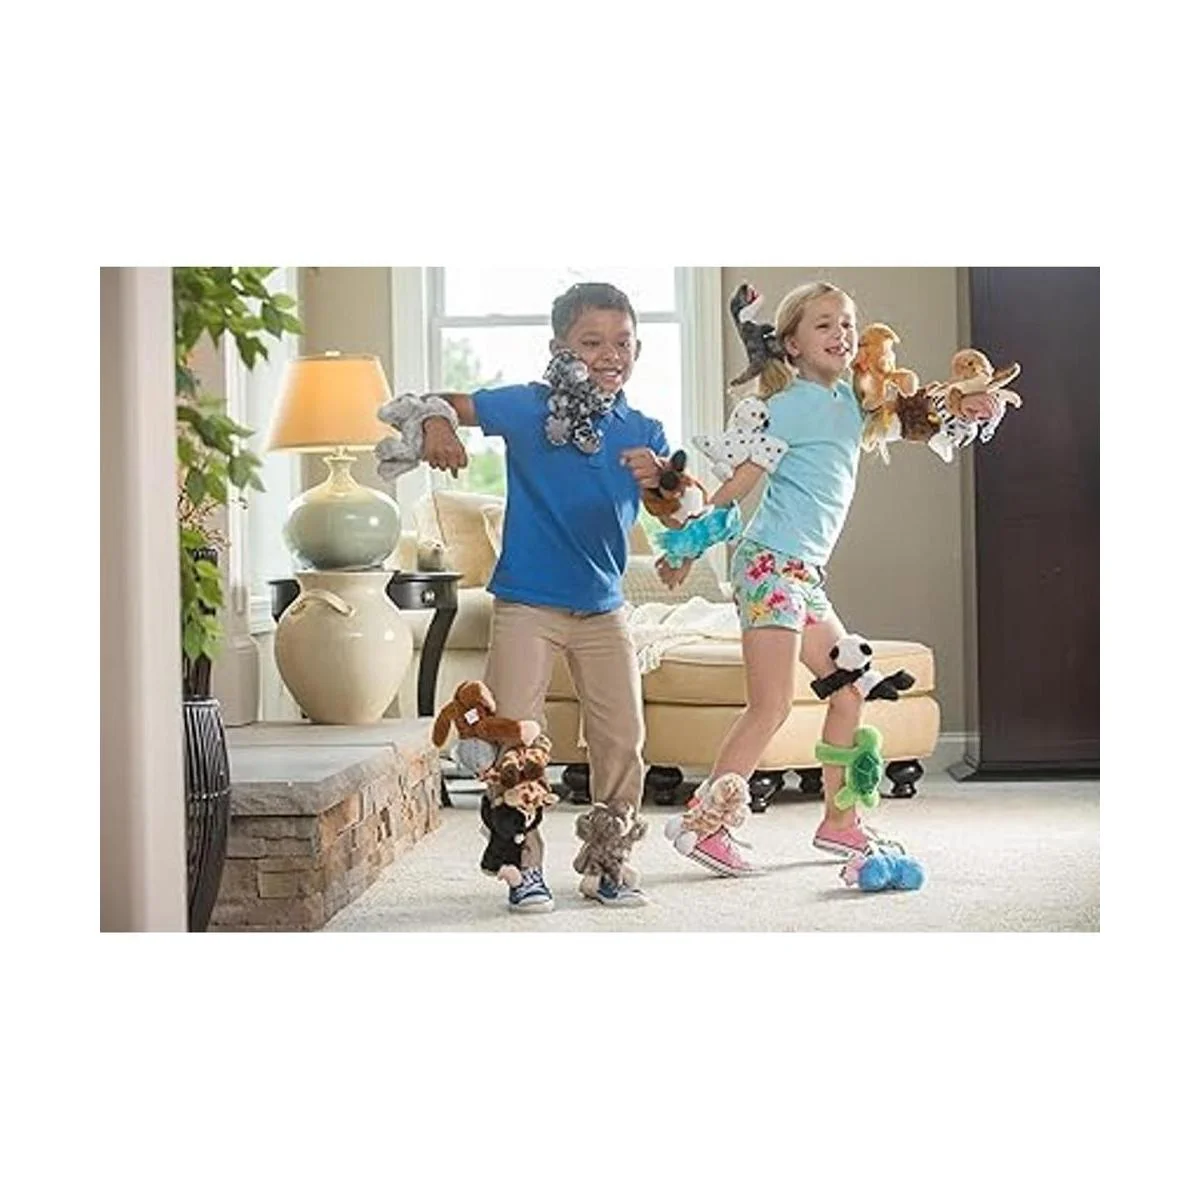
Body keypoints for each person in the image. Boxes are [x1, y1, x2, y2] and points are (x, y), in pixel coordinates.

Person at [626, 281, 1003, 876]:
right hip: (768, 565)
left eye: (847, 323)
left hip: (803, 575)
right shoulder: (784, 406)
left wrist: (965, 407)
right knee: (771, 705)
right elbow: (738, 486)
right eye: (824, 324)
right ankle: (704, 825)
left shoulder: (854, 402)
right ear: (793, 344)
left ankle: (840, 823)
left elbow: (917, 418)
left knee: (848, 688)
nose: (841, 333)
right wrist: (686, 548)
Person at [416, 282, 670, 911]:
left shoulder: (644, 429)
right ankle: (521, 863)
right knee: (516, 736)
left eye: (623, 342)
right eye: (592, 342)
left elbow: (672, 510)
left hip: (604, 606)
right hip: (527, 604)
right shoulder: (530, 407)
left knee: (623, 738)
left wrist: (662, 485)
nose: (610, 354)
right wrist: (437, 424)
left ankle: (610, 859)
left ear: (638, 350)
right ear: (559, 348)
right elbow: (437, 402)